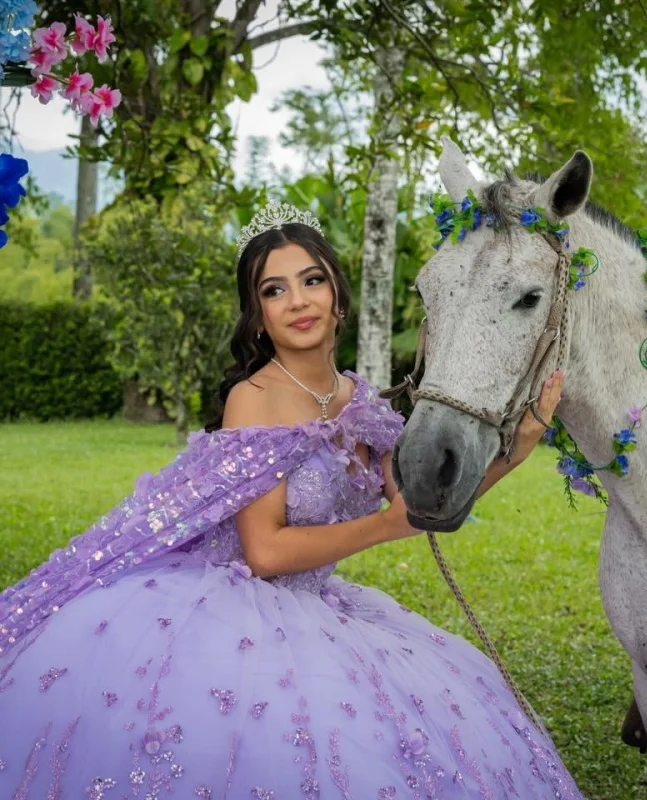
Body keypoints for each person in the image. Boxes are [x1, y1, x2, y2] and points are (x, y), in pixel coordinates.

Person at [0, 201, 580, 799]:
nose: (298, 301)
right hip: (229, 612)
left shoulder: (360, 400)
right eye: (275, 290)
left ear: (336, 294)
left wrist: (518, 451)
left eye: (311, 280)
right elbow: (266, 553)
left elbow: (418, 508)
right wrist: (384, 526)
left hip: (320, 606)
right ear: (257, 317)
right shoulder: (254, 399)